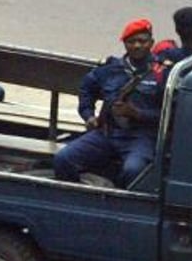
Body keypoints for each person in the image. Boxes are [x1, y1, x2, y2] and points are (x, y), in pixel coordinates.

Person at [53, 18, 164, 187]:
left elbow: (170, 115)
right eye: (131, 42)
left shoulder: (161, 73)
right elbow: (86, 89)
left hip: (141, 137)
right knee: (64, 159)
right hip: (107, 133)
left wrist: (137, 114)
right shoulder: (110, 69)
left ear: (151, 42)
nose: (136, 46)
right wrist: (88, 115)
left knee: (133, 171)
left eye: (142, 41)